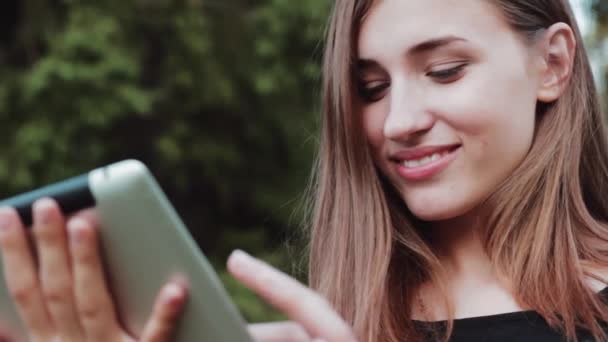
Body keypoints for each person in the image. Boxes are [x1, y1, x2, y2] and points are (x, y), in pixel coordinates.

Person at [1, 0, 607, 340]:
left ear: (552, 64)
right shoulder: (331, 324)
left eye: (444, 70)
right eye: (369, 88)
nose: (398, 121)